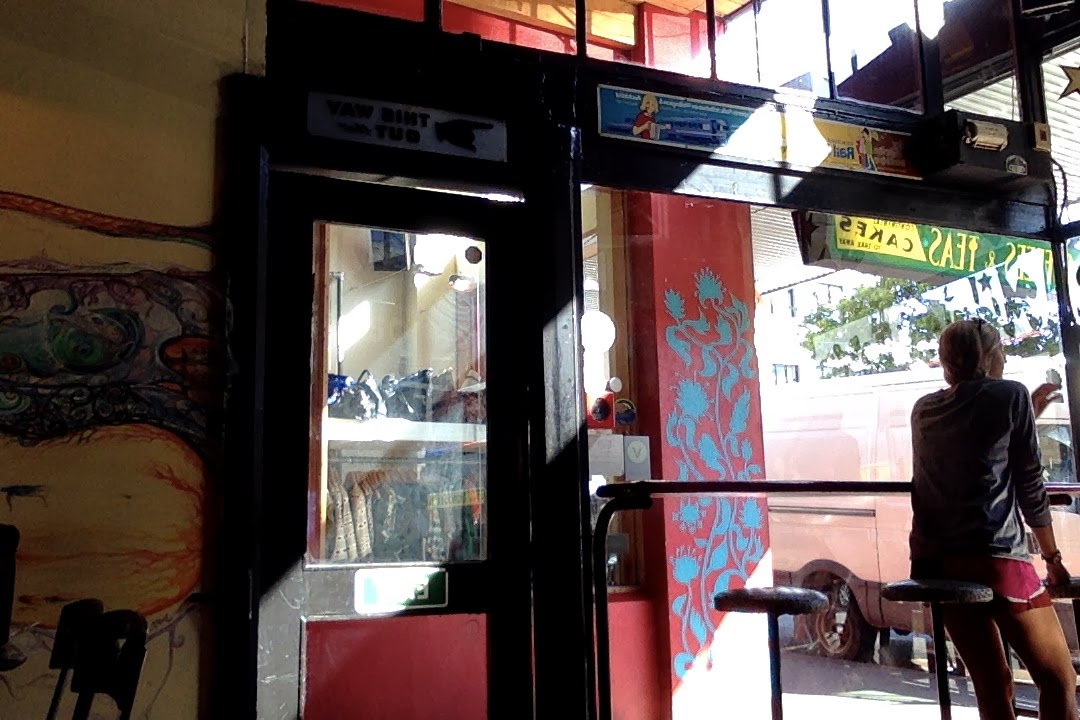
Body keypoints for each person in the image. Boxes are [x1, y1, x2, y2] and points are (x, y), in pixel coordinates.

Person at [910, 318, 1076, 720]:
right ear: (989, 356)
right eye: (1001, 349)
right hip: (995, 559)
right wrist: (1052, 560)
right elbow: (1030, 486)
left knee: (992, 685)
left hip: (934, 563)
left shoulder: (924, 409)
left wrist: (1024, 415)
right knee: (1059, 680)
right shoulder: (1011, 395)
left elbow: (972, 447)